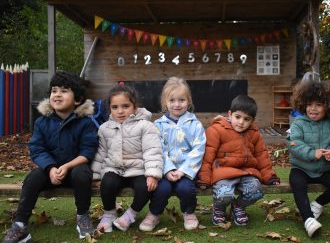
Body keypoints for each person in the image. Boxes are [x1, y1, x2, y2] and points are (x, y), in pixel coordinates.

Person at [2, 72, 99, 243]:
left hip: (75, 171)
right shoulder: (42, 122)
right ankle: (20, 225)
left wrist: (67, 166)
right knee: (33, 177)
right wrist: (50, 168)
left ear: (77, 100)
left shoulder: (85, 123)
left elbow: (88, 151)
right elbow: (37, 148)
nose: (57, 94)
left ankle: (82, 216)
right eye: (54, 91)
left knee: (82, 173)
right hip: (51, 172)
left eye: (64, 91)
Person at [91, 82, 163, 233]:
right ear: (109, 108)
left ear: (134, 107)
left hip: (137, 169)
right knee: (108, 183)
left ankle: (130, 214)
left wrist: (152, 174)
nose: (120, 111)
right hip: (114, 168)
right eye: (115, 107)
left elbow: (152, 151)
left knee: (146, 187)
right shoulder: (105, 128)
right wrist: (96, 176)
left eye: (125, 106)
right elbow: (101, 153)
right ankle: (109, 213)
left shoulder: (145, 126)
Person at [197, 95, 280, 226]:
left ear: (252, 120)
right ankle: (219, 209)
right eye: (238, 117)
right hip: (223, 172)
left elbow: (261, 155)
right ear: (230, 114)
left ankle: (238, 206)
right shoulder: (216, 130)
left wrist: (269, 176)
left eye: (247, 119)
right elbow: (207, 155)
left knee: (256, 191)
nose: (241, 122)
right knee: (224, 194)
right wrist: (204, 178)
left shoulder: (254, 133)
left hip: (247, 172)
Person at [138, 77, 206, 232]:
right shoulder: (158, 126)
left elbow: (199, 149)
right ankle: (154, 213)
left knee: (186, 189)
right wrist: (167, 170)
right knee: (161, 190)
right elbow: (157, 149)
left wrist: (182, 171)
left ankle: (188, 212)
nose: (177, 104)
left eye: (181, 100)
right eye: (172, 100)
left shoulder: (194, 124)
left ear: (188, 101)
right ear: (165, 102)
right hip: (164, 170)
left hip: (186, 171)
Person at [287, 79, 330, 238]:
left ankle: (318, 204)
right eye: (309, 104)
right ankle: (308, 219)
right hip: (301, 169)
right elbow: (294, 144)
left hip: (323, 170)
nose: (313, 108)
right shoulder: (298, 123)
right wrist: (311, 152)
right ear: (303, 104)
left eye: (319, 104)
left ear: (329, 106)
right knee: (297, 183)